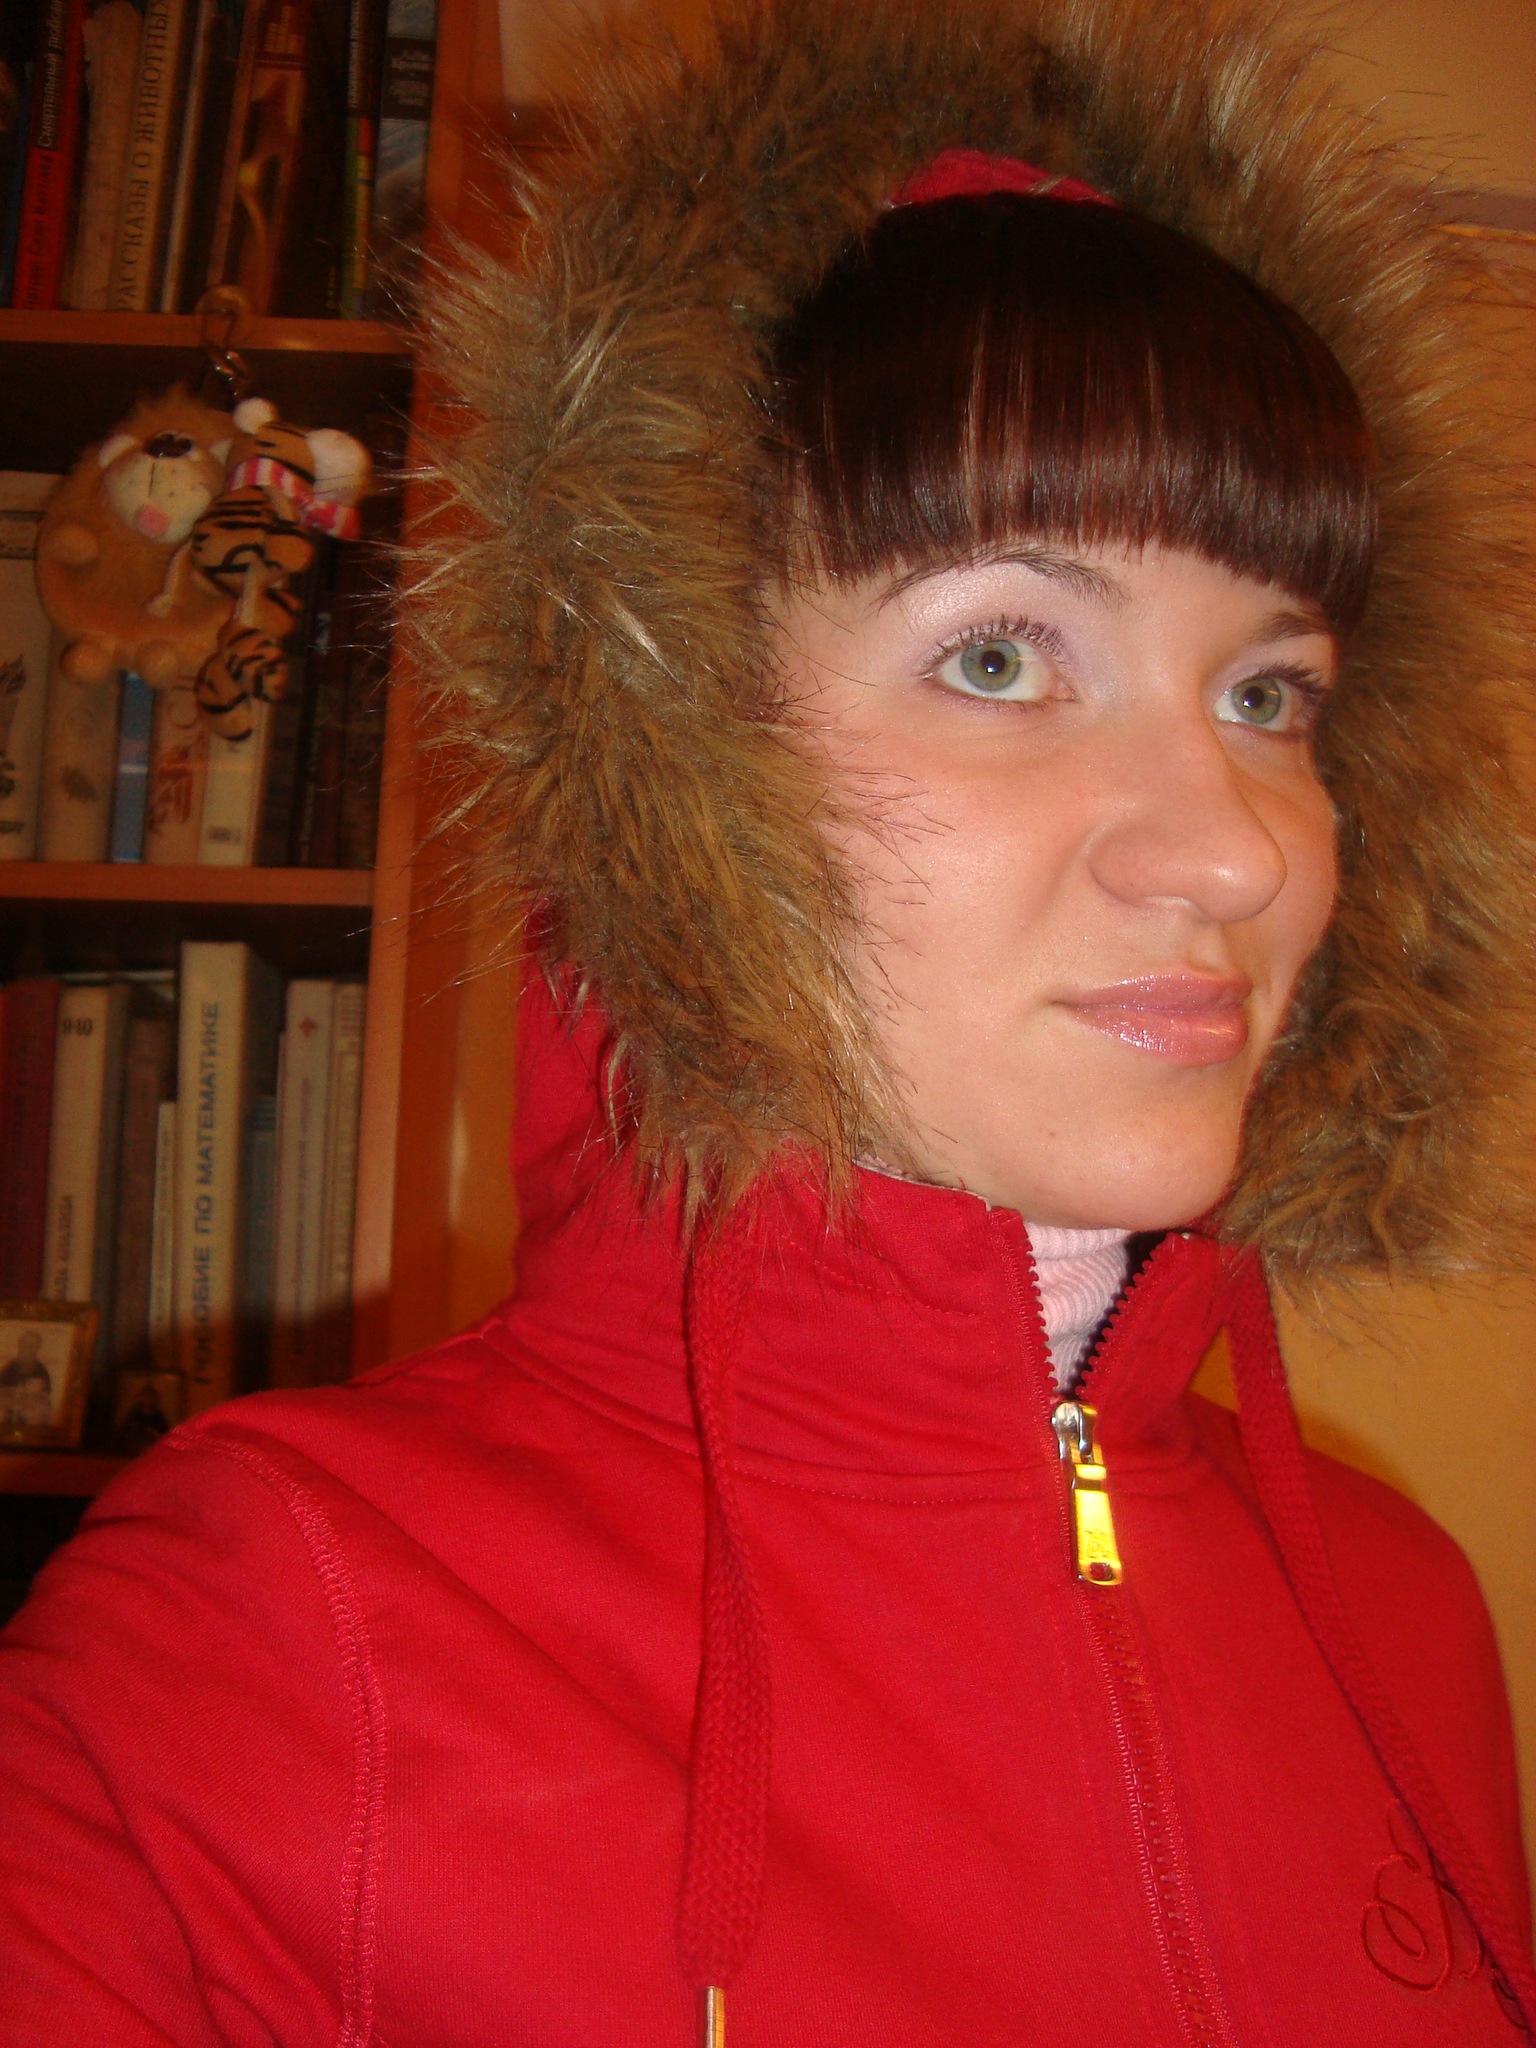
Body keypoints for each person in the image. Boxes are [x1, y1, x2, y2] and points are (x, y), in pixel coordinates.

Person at [2, 0, 1533, 2042]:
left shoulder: (1404, 1610)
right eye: (1000, 656)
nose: (1236, 851)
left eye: (1271, 694)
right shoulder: (271, 1624)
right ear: (667, 749)